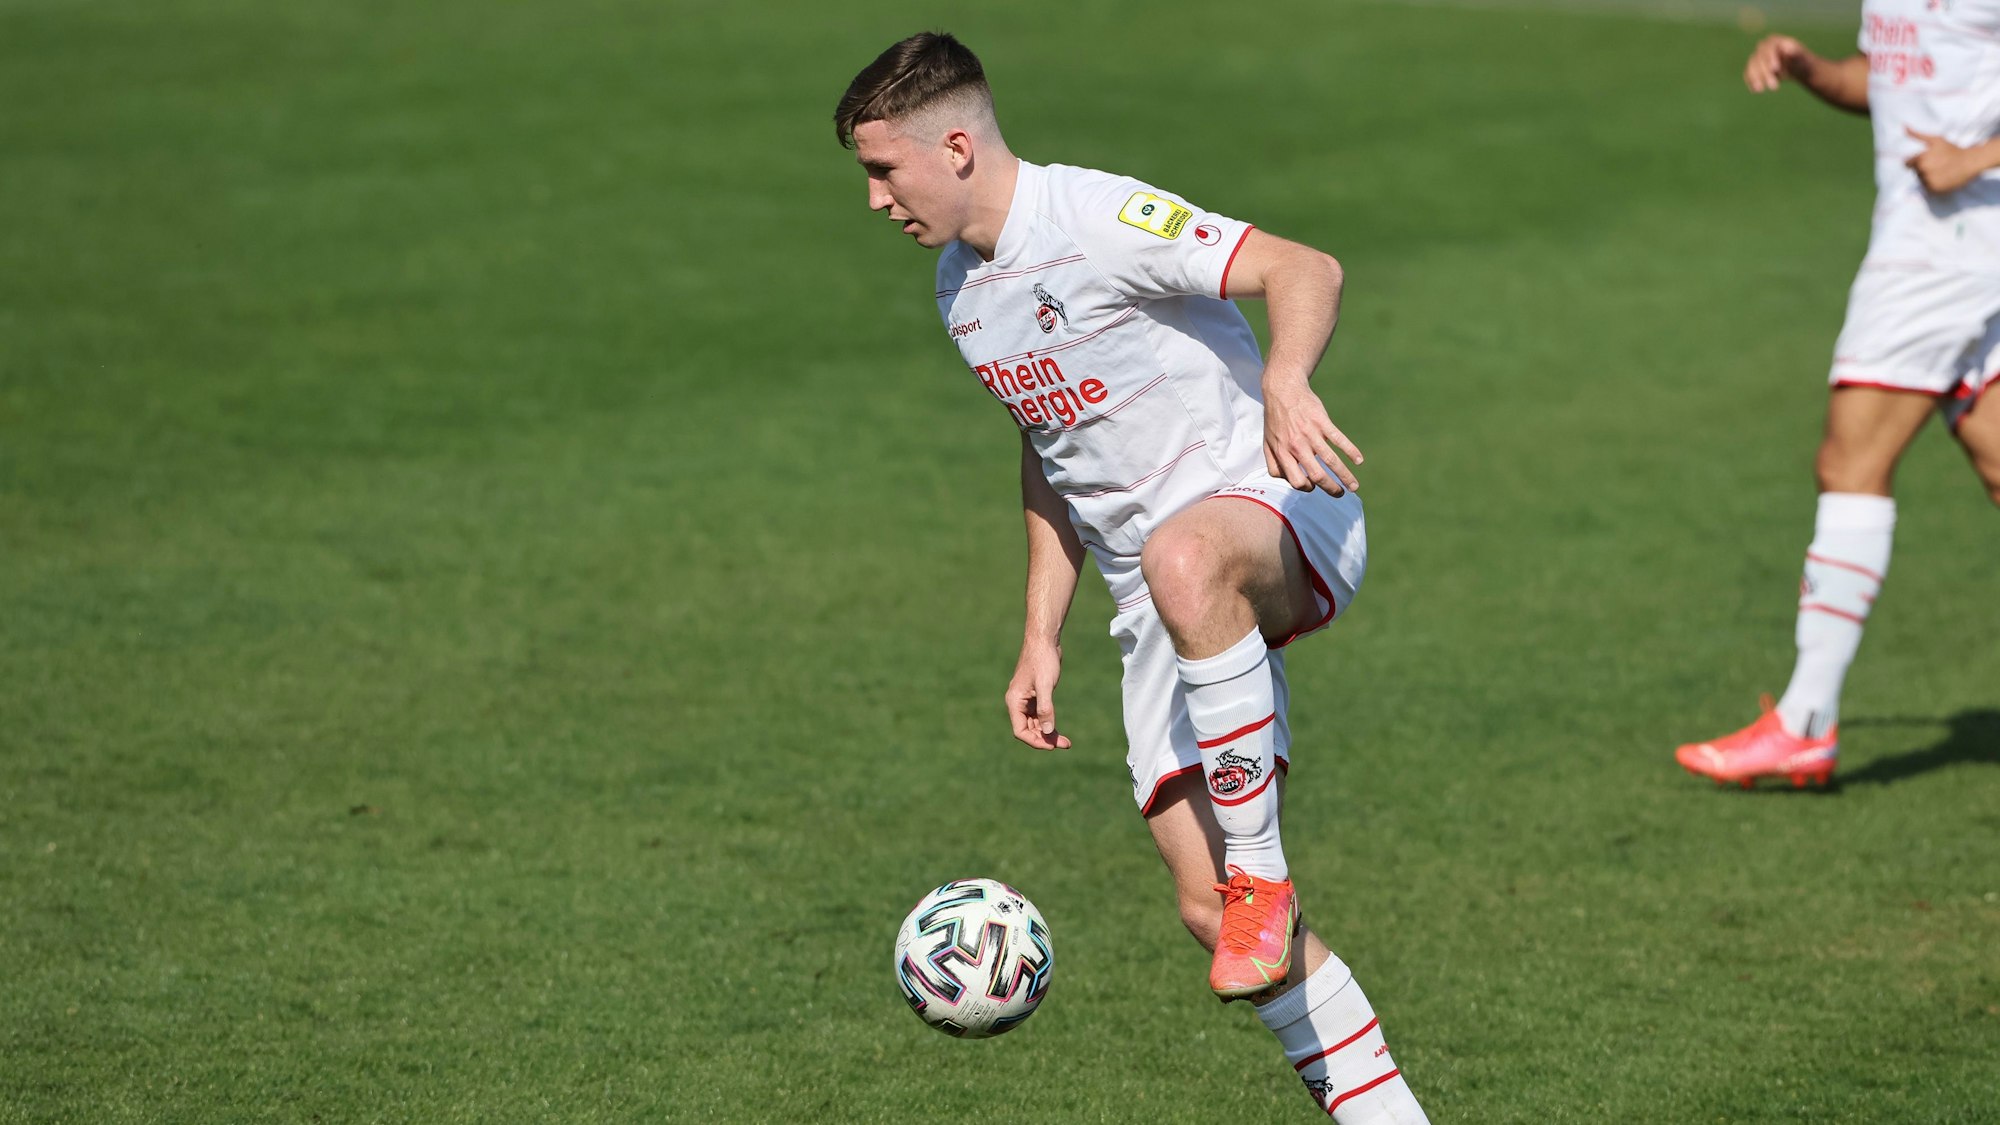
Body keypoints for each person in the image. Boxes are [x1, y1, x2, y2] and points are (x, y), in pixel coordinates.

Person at [835, 32, 1428, 1122]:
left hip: (1279, 508)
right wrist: (1038, 632)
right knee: (1209, 915)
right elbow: (1050, 444)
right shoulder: (960, 291)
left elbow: (1305, 267)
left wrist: (1287, 381)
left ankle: (1265, 872)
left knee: (1182, 556)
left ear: (954, 145)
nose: (874, 198)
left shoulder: (1095, 218)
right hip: (1156, 599)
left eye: (883, 170)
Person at [1676, 5, 2000, 788]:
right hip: (1952, 247)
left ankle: (1805, 721)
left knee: (1850, 459)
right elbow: (1884, 81)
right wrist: (1810, 67)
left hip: (1941, 257)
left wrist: (1978, 158)